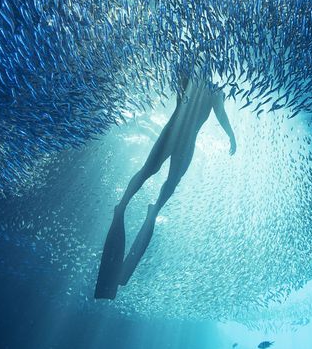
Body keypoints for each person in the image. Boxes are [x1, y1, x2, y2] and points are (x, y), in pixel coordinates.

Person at [95, 76, 237, 299]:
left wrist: (231, 135)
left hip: (178, 137)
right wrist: (231, 136)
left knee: (160, 176)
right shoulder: (196, 79)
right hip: (177, 136)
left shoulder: (204, 84)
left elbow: (219, 112)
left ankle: (135, 207)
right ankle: (139, 207)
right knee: (153, 173)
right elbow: (216, 110)